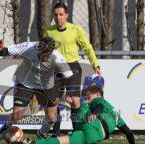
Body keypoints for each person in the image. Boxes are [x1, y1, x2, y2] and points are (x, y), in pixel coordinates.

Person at [38, 3, 102, 136]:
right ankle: (56, 133)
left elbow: (87, 47)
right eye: (56, 15)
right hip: (55, 69)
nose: (58, 17)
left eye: (61, 14)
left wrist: (95, 64)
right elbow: (43, 52)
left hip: (73, 67)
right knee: (53, 102)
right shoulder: (49, 31)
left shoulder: (75, 30)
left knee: (75, 101)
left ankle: (77, 131)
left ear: (66, 15)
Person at [0, 37, 73, 141]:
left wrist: (67, 92)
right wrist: (1, 50)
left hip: (46, 87)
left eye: (47, 54)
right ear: (38, 49)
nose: (44, 57)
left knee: (52, 118)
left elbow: (68, 77)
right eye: (42, 53)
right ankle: (7, 126)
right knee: (17, 115)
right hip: (26, 83)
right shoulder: (28, 47)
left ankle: (41, 133)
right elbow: (5, 51)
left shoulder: (57, 57)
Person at [32, 81, 136, 144]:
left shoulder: (99, 101)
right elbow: (128, 133)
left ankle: (35, 142)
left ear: (98, 94)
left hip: (91, 128)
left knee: (76, 105)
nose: (88, 99)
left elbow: (99, 105)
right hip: (93, 130)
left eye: (89, 96)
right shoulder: (116, 114)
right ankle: (34, 143)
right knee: (62, 141)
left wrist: (94, 113)